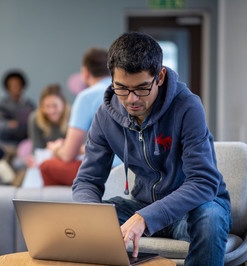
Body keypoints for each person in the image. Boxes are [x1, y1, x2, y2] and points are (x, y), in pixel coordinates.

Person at [72, 32, 231, 266]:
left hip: (193, 208)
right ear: (112, 79)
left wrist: (145, 218)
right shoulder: (105, 115)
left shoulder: (187, 107)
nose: (131, 99)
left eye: (142, 88)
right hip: (143, 204)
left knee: (210, 219)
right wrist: (90, 217)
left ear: (160, 77)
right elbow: (87, 181)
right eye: (122, 88)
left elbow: (203, 182)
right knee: (84, 220)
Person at [39, 48, 121, 186]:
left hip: (105, 170)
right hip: (128, 169)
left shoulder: (87, 96)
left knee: (46, 166)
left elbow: (67, 155)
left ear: (85, 72)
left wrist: (56, 148)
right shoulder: (124, 92)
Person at [26, 83, 71, 166]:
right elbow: (37, 148)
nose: (51, 111)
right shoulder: (35, 119)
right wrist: (33, 159)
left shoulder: (74, 116)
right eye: (47, 106)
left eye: (55, 106)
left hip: (69, 161)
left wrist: (57, 149)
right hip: (47, 162)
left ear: (63, 104)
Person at [0, 70, 36, 148]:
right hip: (6, 143)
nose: (15, 88)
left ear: (22, 86)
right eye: (12, 85)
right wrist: (9, 124)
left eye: (17, 85)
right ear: (7, 88)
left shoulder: (29, 105)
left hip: (25, 143)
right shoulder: (1, 105)